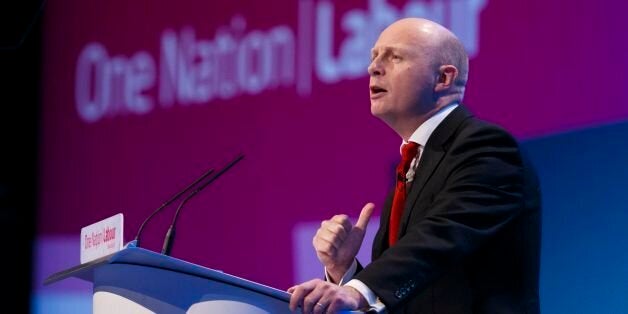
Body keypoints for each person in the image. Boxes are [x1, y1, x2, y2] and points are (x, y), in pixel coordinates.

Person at [288, 17, 541, 314]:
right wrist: (346, 270)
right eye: (373, 57)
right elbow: (410, 295)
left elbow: (441, 238)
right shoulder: (414, 162)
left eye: (394, 56)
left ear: (443, 79)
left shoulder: (487, 146)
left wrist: (359, 291)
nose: (373, 68)